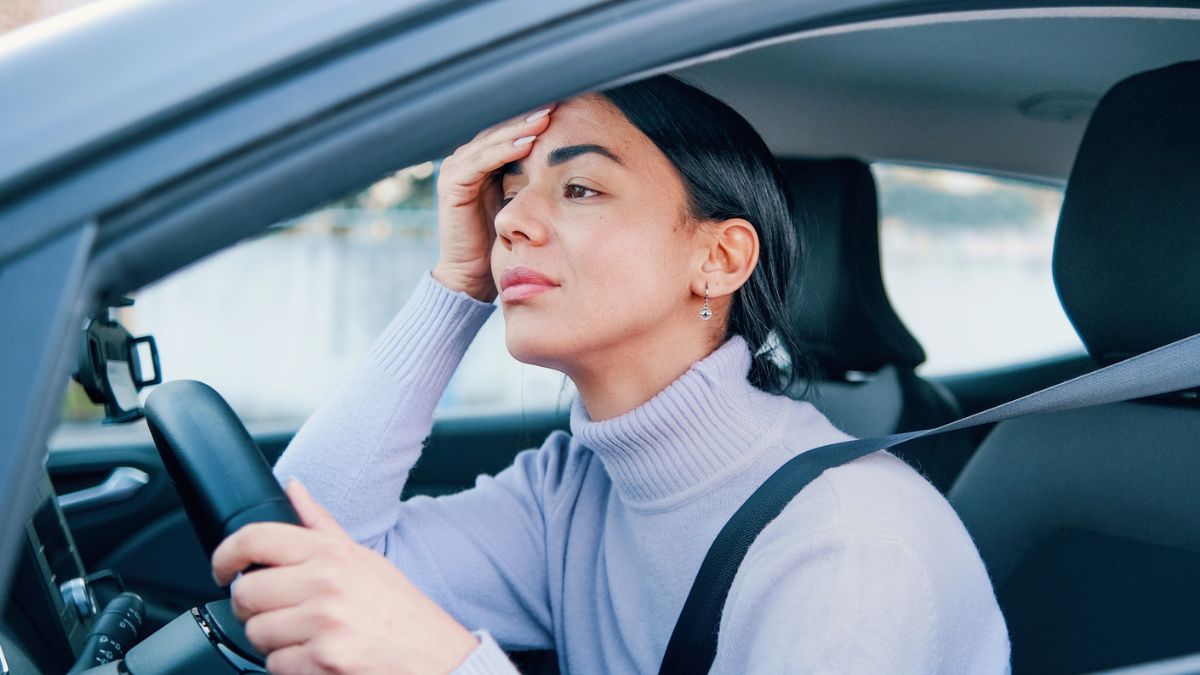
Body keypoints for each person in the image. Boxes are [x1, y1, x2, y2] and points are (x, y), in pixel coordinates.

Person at [211, 76, 1011, 674]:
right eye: (509, 194)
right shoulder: (573, 490)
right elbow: (298, 555)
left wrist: (450, 665)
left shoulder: (850, 544)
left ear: (719, 257)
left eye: (580, 187)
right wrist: (458, 284)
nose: (510, 221)